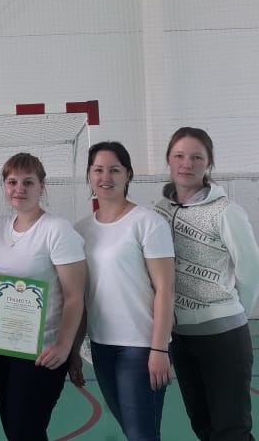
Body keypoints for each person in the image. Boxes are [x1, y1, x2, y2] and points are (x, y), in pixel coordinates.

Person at [154, 127, 259, 441]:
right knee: (203, 426)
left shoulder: (226, 211)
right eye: (179, 156)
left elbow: (252, 272)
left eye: (196, 157)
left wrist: (231, 315)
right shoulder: (158, 211)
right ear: (169, 160)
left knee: (231, 430)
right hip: (181, 339)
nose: (186, 163)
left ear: (209, 163)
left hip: (224, 338)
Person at [0, 152, 86, 441]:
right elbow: (0, 289)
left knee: (26, 430)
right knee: (15, 431)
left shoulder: (57, 230)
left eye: (28, 182)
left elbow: (75, 296)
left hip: (43, 352)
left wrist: (64, 347)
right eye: (12, 182)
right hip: (4, 348)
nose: (19, 189)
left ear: (41, 186)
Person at [72, 141, 175, 441]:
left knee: (142, 435)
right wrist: (75, 349)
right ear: (89, 175)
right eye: (98, 170)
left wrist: (159, 349)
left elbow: (165, 288)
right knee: (131, 431)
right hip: (101, 346)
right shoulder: (80, 229)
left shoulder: (148, 223)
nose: (106, 177)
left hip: (140, 347)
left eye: (114, 170)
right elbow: (81, 296)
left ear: (128, 174)